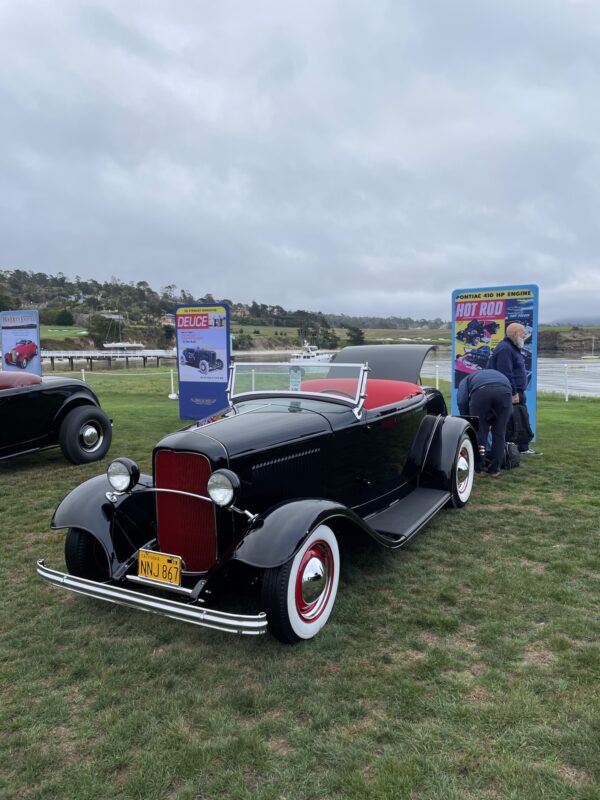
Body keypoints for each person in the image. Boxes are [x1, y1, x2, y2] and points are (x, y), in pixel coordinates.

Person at [487, 322, 542, 455]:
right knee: (509, 420)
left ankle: (521, 447)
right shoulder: (505, 349)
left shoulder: (512, 348)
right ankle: (508, 449)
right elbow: (505, 372)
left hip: (517, 391)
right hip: (510, 392)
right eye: (523, 333)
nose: (525, 335)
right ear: (516, 334)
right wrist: (513, 392)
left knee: (520, 419)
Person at [457, 368, 513, 477]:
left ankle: (479, 468)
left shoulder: (466, 379)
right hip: (504, 393)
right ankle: (495, 470)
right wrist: (501, 420)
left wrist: (469, 419)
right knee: (499, 434)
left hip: (481, 393)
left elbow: (462, 401)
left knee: (479, 433)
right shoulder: (500, 375)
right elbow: (509, 410)